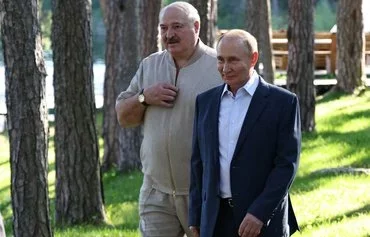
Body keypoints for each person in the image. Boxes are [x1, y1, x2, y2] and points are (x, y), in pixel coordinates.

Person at [115, 1, 222, 236]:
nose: (169, 35)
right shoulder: (150, 65)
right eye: (163, 28)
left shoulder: (219, 67)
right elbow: (123, 116)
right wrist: (145, 97)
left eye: (176, 27)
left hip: (202, 193)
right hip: (156, 190)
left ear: (196, 27)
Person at [189, 29, 301, 237]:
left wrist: (260, 213)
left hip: (262, 221)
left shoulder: (283, 102)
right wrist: (196, 216)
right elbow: (198, 164)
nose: (225, 68)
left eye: (233, 60)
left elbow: (287, 165)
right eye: (220, 60)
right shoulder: (205, 102)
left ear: (253, 59)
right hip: (215, 220)